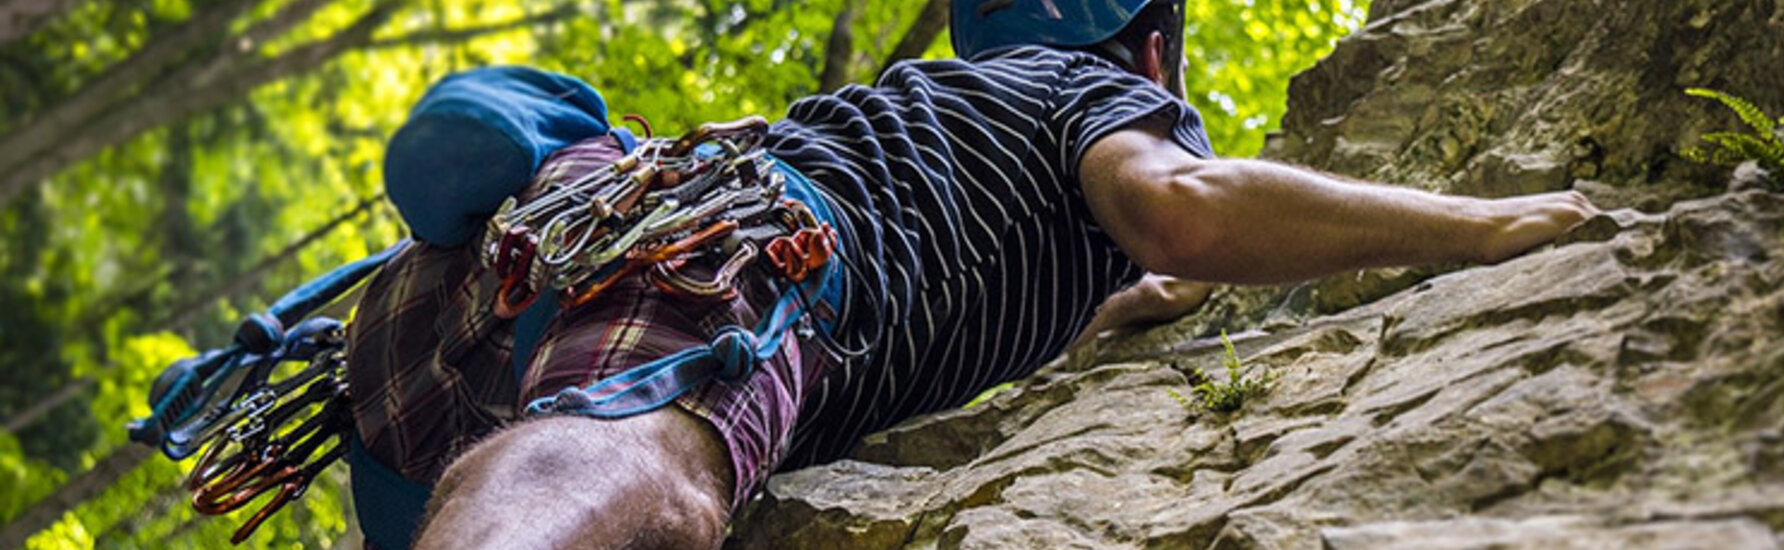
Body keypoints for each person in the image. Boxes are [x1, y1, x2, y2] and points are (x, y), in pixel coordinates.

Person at [347, 1, 1600, 548]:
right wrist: (1476, 227)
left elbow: (1130, 288)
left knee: (532, 467)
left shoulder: (944, 129)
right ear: (1155, 59)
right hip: (736, 254)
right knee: (645, 469)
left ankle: (521, 148)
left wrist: (1154, 300)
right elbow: (1182, 215)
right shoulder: (1094, 91)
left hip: (502, 278)